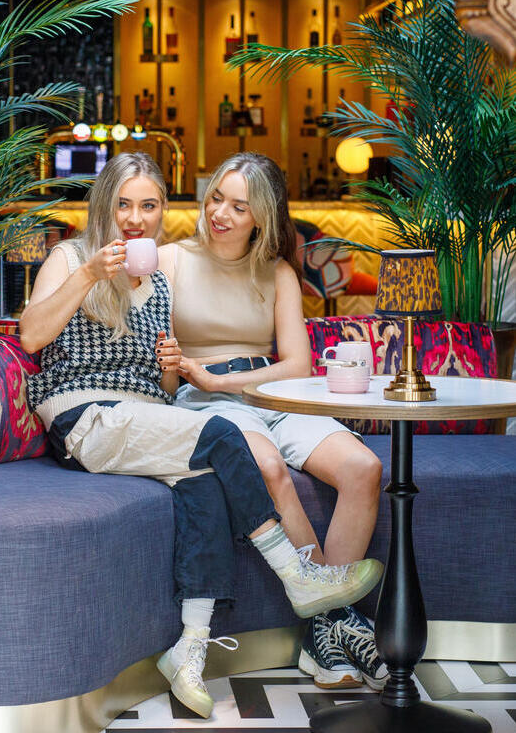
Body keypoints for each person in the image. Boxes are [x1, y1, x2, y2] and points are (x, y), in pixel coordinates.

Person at [20, 151, 384, 717]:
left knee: (208, 481)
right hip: (97, 413)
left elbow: (157, 381)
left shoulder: (156, 283)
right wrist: (93, 273)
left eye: (149, 206)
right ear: (103, 204)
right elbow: (32, 337)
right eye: (123, 204)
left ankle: (190, 646)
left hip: (163, 408)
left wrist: (171, 363)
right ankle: (304, 582)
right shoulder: (82, 257)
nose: (135, 219)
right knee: (224, 440)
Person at [158, 152, 388, 692]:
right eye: (216, 197)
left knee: (364, 469)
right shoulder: (170, 260)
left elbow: (297, 365)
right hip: (204, 401)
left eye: (239, 207)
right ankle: (333, 625)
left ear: (261, 216)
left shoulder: (278, 271)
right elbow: (166, 370)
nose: (221, 213)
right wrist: (193, 380)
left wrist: (226, 380)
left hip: (272, 393)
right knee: (265, 466)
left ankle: (324, 629)